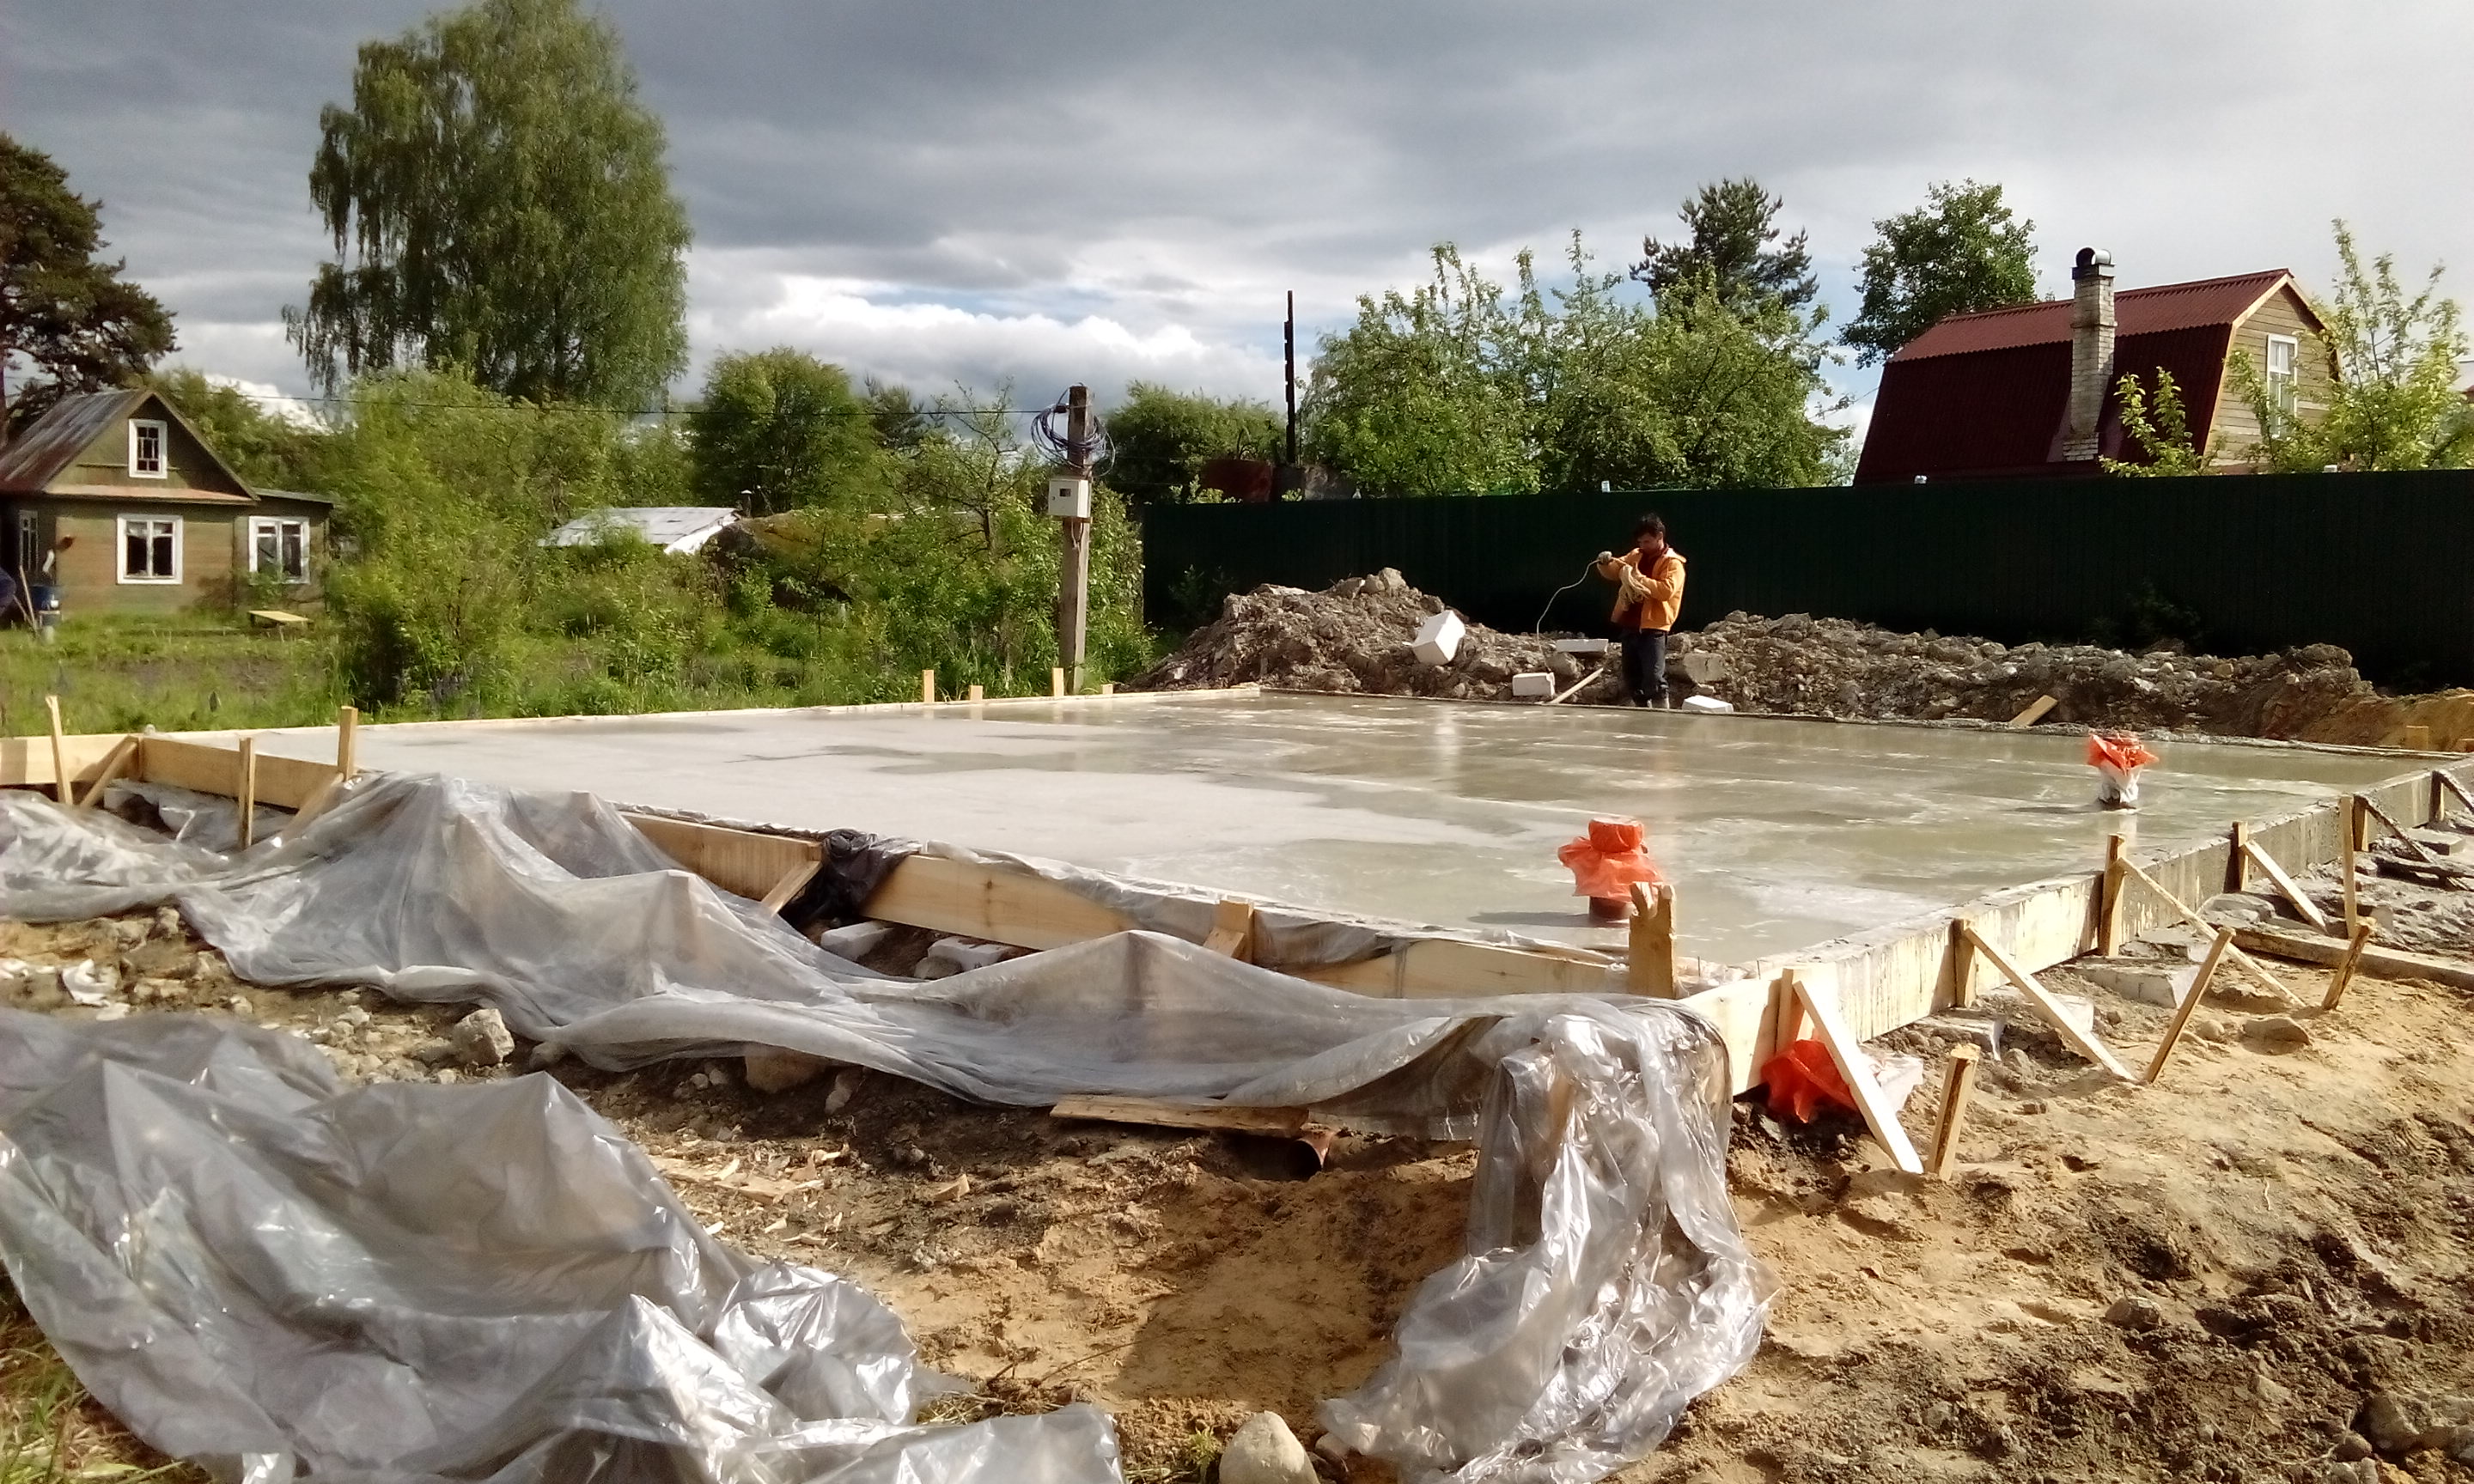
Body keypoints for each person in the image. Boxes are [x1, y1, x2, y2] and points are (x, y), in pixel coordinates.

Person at [1593, 514, 1685, 708]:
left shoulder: (1673, 563)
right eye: (1640, 542)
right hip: (1630, 624)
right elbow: (1616, 570)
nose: (1643, 545)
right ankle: (1643, 714)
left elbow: (1666, 591)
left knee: (1654, 678)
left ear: (1660, 537)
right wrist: (1604, 564)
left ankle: (1662, 718)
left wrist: (1638, 578)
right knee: (1633, 679)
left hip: (1654, 628)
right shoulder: (1636, 555)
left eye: (1647, 541)